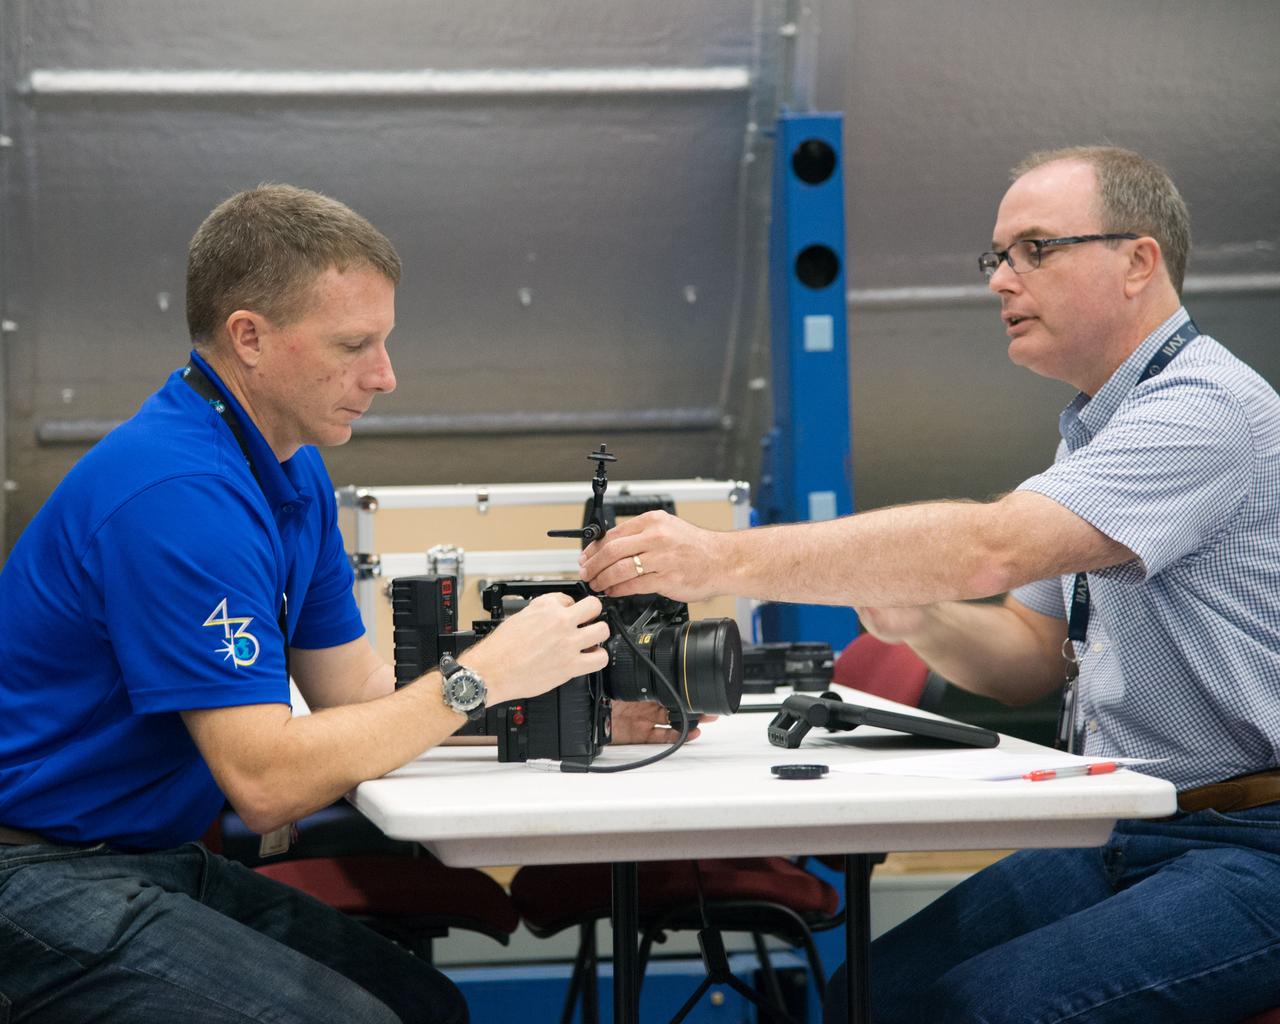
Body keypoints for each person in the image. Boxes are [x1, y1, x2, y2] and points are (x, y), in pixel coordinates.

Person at [580, 146, 1280, 1022]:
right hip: (1136, 827)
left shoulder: (1203, 412)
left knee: (979, 1010)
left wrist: (722, 558)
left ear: (1137, 260)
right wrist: (924, 617)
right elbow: (1030, 658)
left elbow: (991, 546)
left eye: (1035, 248)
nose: (1001, 280)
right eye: (998, 257)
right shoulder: (1099, 431)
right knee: (870, 996)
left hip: (1256, 843)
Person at [0, 184, 688, 1024]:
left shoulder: (287, 470)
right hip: (33, 876)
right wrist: (476, 676)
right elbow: (264, 781)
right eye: (353, 344)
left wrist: (559, 705)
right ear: (248, 337)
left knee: (425, 1006)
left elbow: (358, 698)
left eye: (385, 342)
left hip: (143, 857)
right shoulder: (180, 495)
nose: (385, 375)